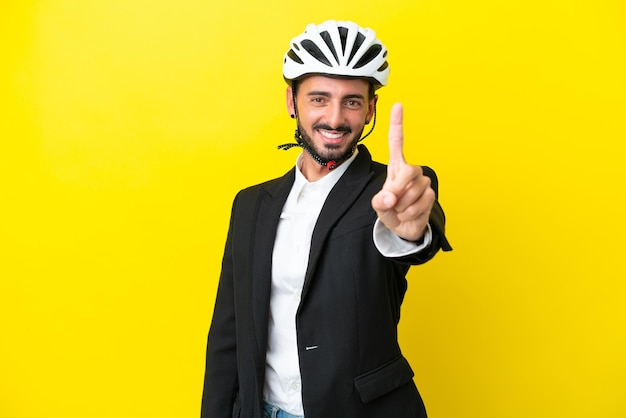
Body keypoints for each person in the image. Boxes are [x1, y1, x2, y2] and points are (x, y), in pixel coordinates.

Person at [201, 20, 452, 418]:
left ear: (370, 108)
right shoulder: (250, 205)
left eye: (352, 102)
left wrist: (410, 233)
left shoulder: (392, 191)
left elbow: (415, 236)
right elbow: (228, 334)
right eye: (319, 98)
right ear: (291, 102)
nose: (335, 119)